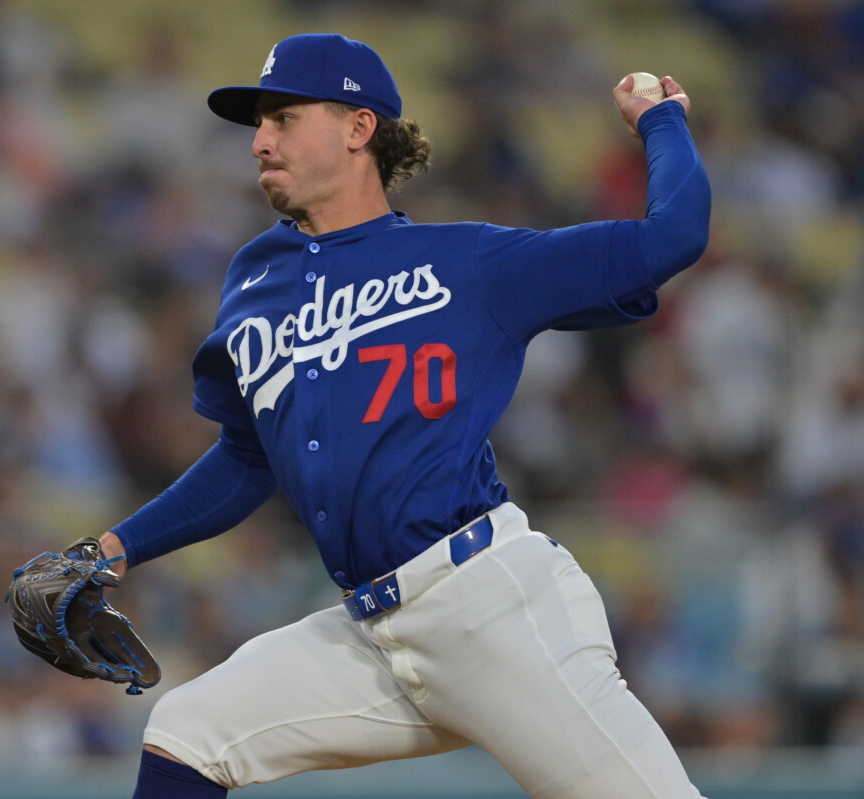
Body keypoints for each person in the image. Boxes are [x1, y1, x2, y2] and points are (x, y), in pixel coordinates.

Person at [100, 33, 711, 799]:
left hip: (491, 609)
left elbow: (674, 236)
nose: (259, 141)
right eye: (259, 123)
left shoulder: (470, 265)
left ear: (359, 128)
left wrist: (663, 122)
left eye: (284, 118)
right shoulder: (257, 277)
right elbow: (251, 455)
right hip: (370, 634)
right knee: (187, 733)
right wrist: (112, 550)